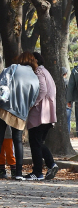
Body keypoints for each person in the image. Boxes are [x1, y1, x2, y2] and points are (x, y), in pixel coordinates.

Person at [0, 52, 40, 181]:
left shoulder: (12, 68)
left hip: (4, 107)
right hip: (20, 112)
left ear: (21, 59)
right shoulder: (35, 77)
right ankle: (18, 173)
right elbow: (34, 99)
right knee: (17, 141)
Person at [25, 53, 59, 181]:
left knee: (35, 142)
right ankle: (51, 164)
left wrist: (32, 104)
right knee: (38, 142)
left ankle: (37, 172)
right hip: (48, 113)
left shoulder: (38, 72)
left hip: (40, 113)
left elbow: (43, 90)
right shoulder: (46, 72)